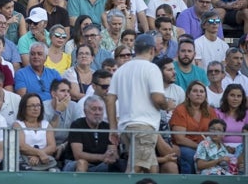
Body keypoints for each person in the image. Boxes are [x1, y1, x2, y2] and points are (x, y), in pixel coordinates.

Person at [106, 34, 170, 173]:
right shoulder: (152, 68)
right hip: (143, 128)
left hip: (126, 127)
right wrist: (167, 105)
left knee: (152, 169)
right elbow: (158, 99)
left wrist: (113, 127)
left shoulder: (120, 70)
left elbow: (110, 99)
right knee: (134, 169)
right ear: (152, 50)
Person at [63, 95, 125, 173]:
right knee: (82, 163)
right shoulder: (77, 125)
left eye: (100, 109)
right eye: (94, 109)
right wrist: (102, 157)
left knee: (119, 164)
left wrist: (111, 155)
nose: (97, 113)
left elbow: (112, 151)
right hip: (75, 164)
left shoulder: (107, 127)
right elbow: (78, 155)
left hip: (100, 165)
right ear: (85, 111)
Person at [169, 80, 218, 174]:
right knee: (190, 155)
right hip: (185, 146)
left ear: (205, 95)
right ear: (188, 94)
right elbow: (179, 139)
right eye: (195, 91)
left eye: (202, 91)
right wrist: (200, 147)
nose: (199, 94)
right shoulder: (180, 110)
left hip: (206, 146)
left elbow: (216, 133)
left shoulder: (210, 111)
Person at [13, 93, 57, 171]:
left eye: (38, 105)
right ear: (24, 108)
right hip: (25, 161)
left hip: (44, 160)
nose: (36, 108)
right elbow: (22, 146)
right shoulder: (18, 125)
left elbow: (52, 147)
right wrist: (40, 153)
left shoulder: (46, 124)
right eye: (32, 106)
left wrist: (39, 155)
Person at [43, 79, 82, 150]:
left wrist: (63, 146)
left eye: (68, 91)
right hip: (46, 146)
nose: (66, 94)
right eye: (63, 91)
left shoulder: (75, 107)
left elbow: (78, 134)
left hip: (68, 146)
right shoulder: (43, 108)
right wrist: (58, 112)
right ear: (53, 94)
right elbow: (45, 135)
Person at [216, 83, 248, 148]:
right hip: (221, 148)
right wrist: (224, 148)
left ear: (242, 98)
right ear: (226, 96)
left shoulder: (247, 114)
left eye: (239, 96)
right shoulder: (217, 113)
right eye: (232, 95)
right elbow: (214, 135)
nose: (235, 99)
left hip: (244, 148)